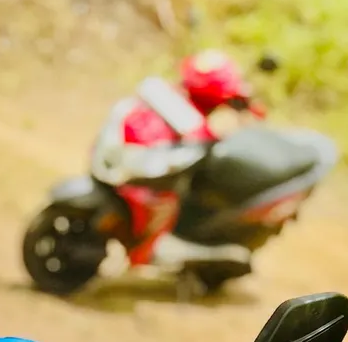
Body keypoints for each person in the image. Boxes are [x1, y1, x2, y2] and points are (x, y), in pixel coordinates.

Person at [90, 51, 265, 263]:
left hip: (132, 164)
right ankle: (142, 257)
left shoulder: (171, 101)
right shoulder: (186, 117)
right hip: (138, 169)